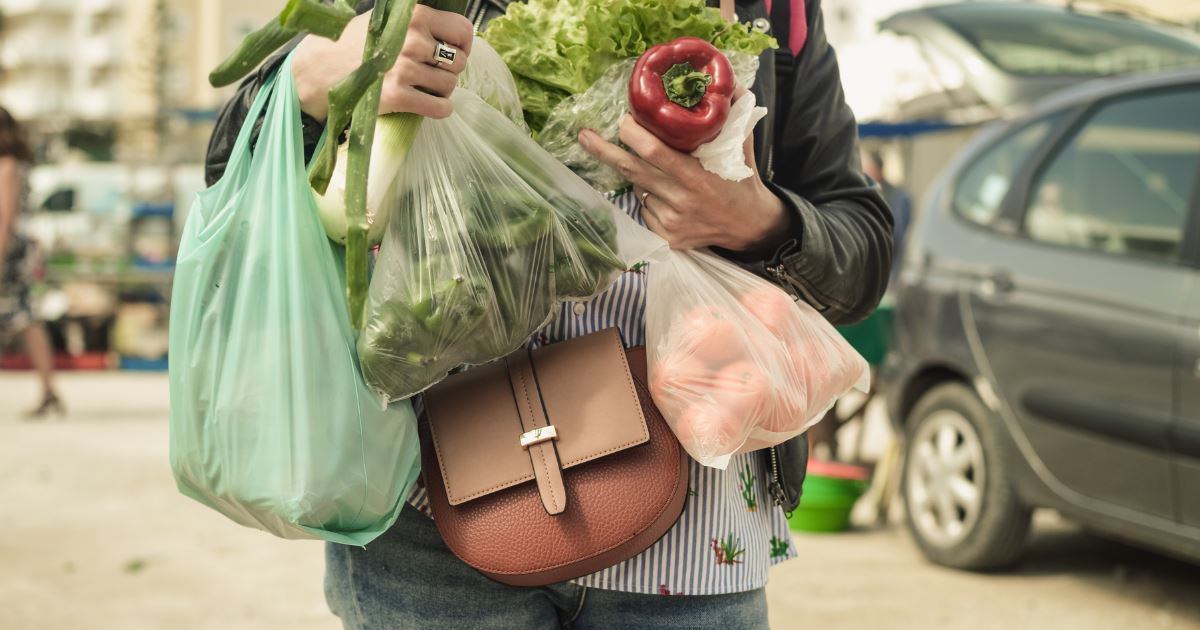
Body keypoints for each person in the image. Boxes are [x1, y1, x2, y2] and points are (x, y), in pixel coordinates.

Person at [206, 0, 892, 627]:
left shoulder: (771, 11)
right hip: (430, 514)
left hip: (694, 529)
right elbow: (229, 160)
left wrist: (760, 222)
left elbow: (862, 246)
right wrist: (311, 80)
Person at [0, 106, 62, 420]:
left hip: (9, 250)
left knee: (25, 318)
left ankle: (49, 390)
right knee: (26, 318)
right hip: (18, 248)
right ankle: (49, 391)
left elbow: (5, 219)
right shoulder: (16, 164)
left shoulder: (8, 166)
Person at [862, 150, 911, 274]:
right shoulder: (868, 192)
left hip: (890, 265)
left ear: (877, 169)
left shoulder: (896, 196)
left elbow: (899, 236)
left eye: (868, 168)